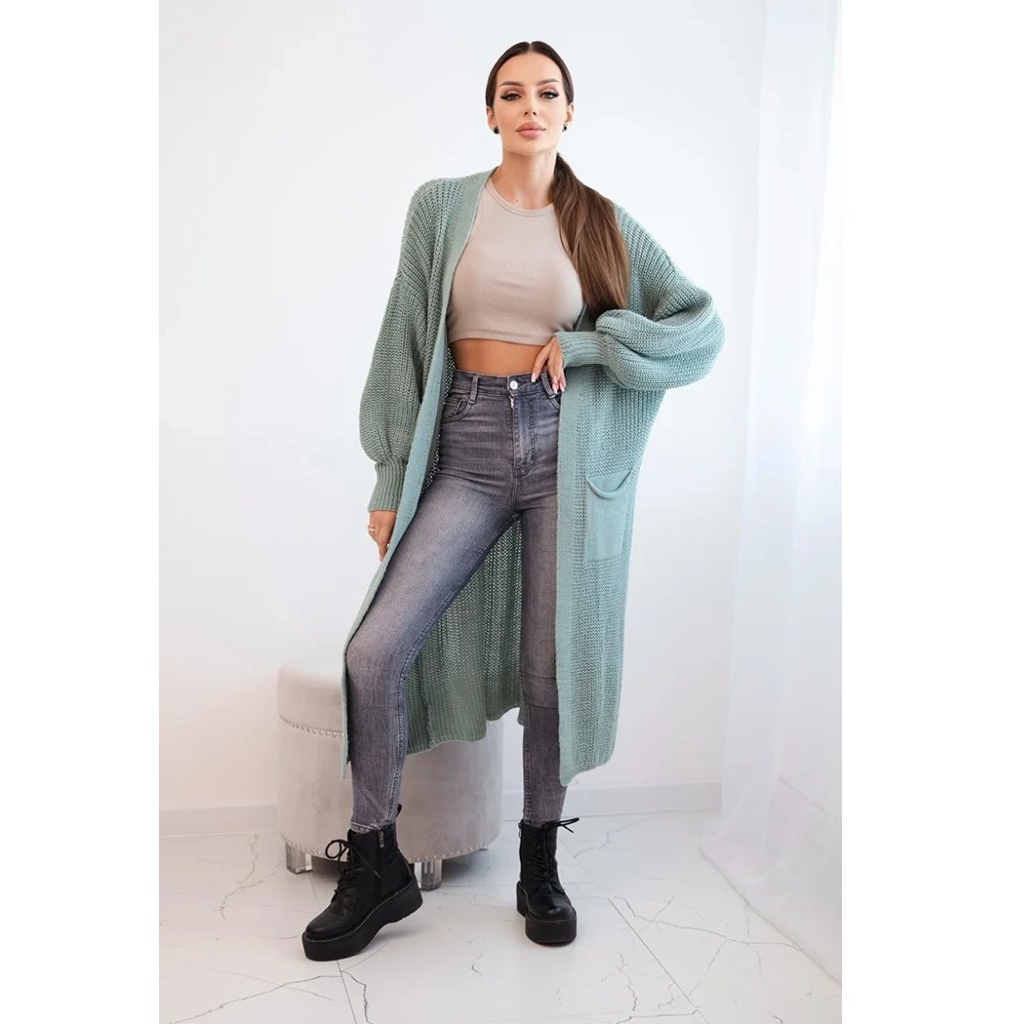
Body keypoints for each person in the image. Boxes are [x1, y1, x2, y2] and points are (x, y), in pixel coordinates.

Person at [302, 40, 725, 962]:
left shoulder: (602, 223)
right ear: (490, 112)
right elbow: (403, 339)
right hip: (464, 447)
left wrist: (591, 346)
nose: (530, 106)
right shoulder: (442, 207)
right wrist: (389, 475)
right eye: (512, 93)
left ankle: (540, 860)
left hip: (564, 456)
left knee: (548, 670)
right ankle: (375, 861)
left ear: (570, 112)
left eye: (547, 92)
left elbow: (699, 328)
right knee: (375, 650)